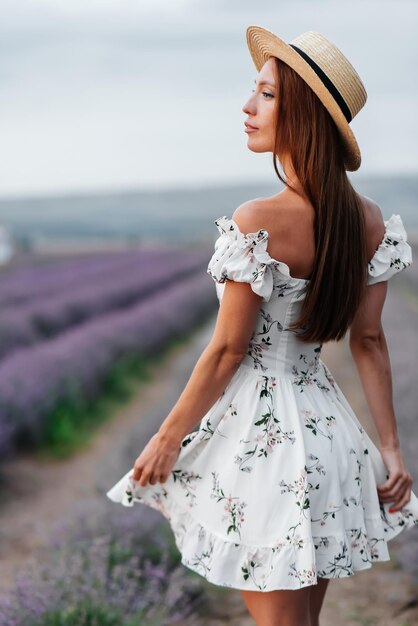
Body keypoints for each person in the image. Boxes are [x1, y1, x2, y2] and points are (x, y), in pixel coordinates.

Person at [106, 25, 418, 626]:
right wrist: (390, 449)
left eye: (267, 95)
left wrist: (168, 437)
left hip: (261, 446)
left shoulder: (259, 220)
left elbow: (227, 351)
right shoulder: (371, 221)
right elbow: (369, 340)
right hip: (333, 441)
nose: (247, 108)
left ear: (301, 113)